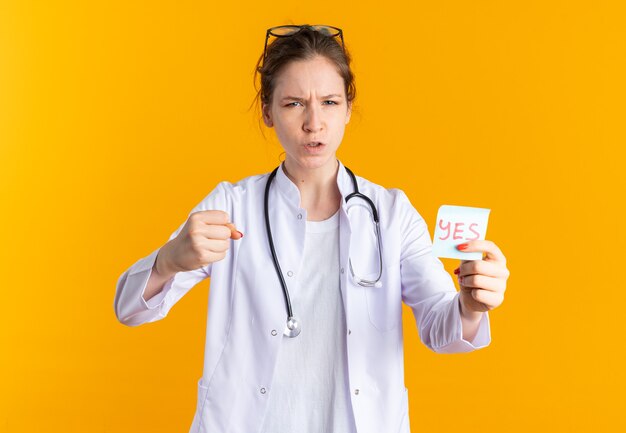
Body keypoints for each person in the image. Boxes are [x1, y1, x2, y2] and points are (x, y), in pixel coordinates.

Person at [114, 24, 510, 433]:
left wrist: (472, 306)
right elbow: (128, 309)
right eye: (293, 104)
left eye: (330, 101)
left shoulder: (390, 214)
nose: (314, 123)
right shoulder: (232, 205)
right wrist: (169, 260)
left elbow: (443, 331)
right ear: (268, 111)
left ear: (348, 108)